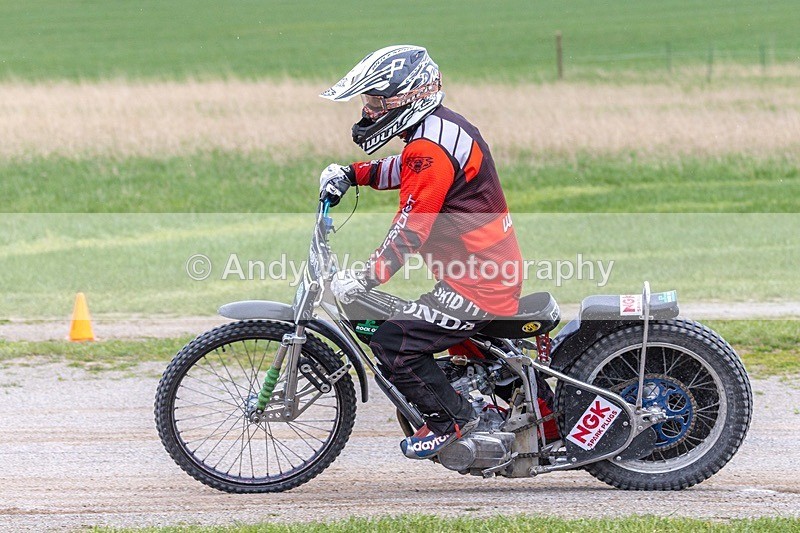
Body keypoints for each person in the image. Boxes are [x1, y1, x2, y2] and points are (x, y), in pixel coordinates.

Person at [319, 45, 523, 459]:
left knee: (394, 341)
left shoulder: (429, 148)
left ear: (408, 98)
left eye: (376, 103)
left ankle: (453, 422)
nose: (369, 112)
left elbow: (411, 230)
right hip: (480, 270)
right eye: (368, 103)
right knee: (405, 326)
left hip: (479, 281)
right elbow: (404, 167)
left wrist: (365, 276)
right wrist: (352, 174)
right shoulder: (437, 130)